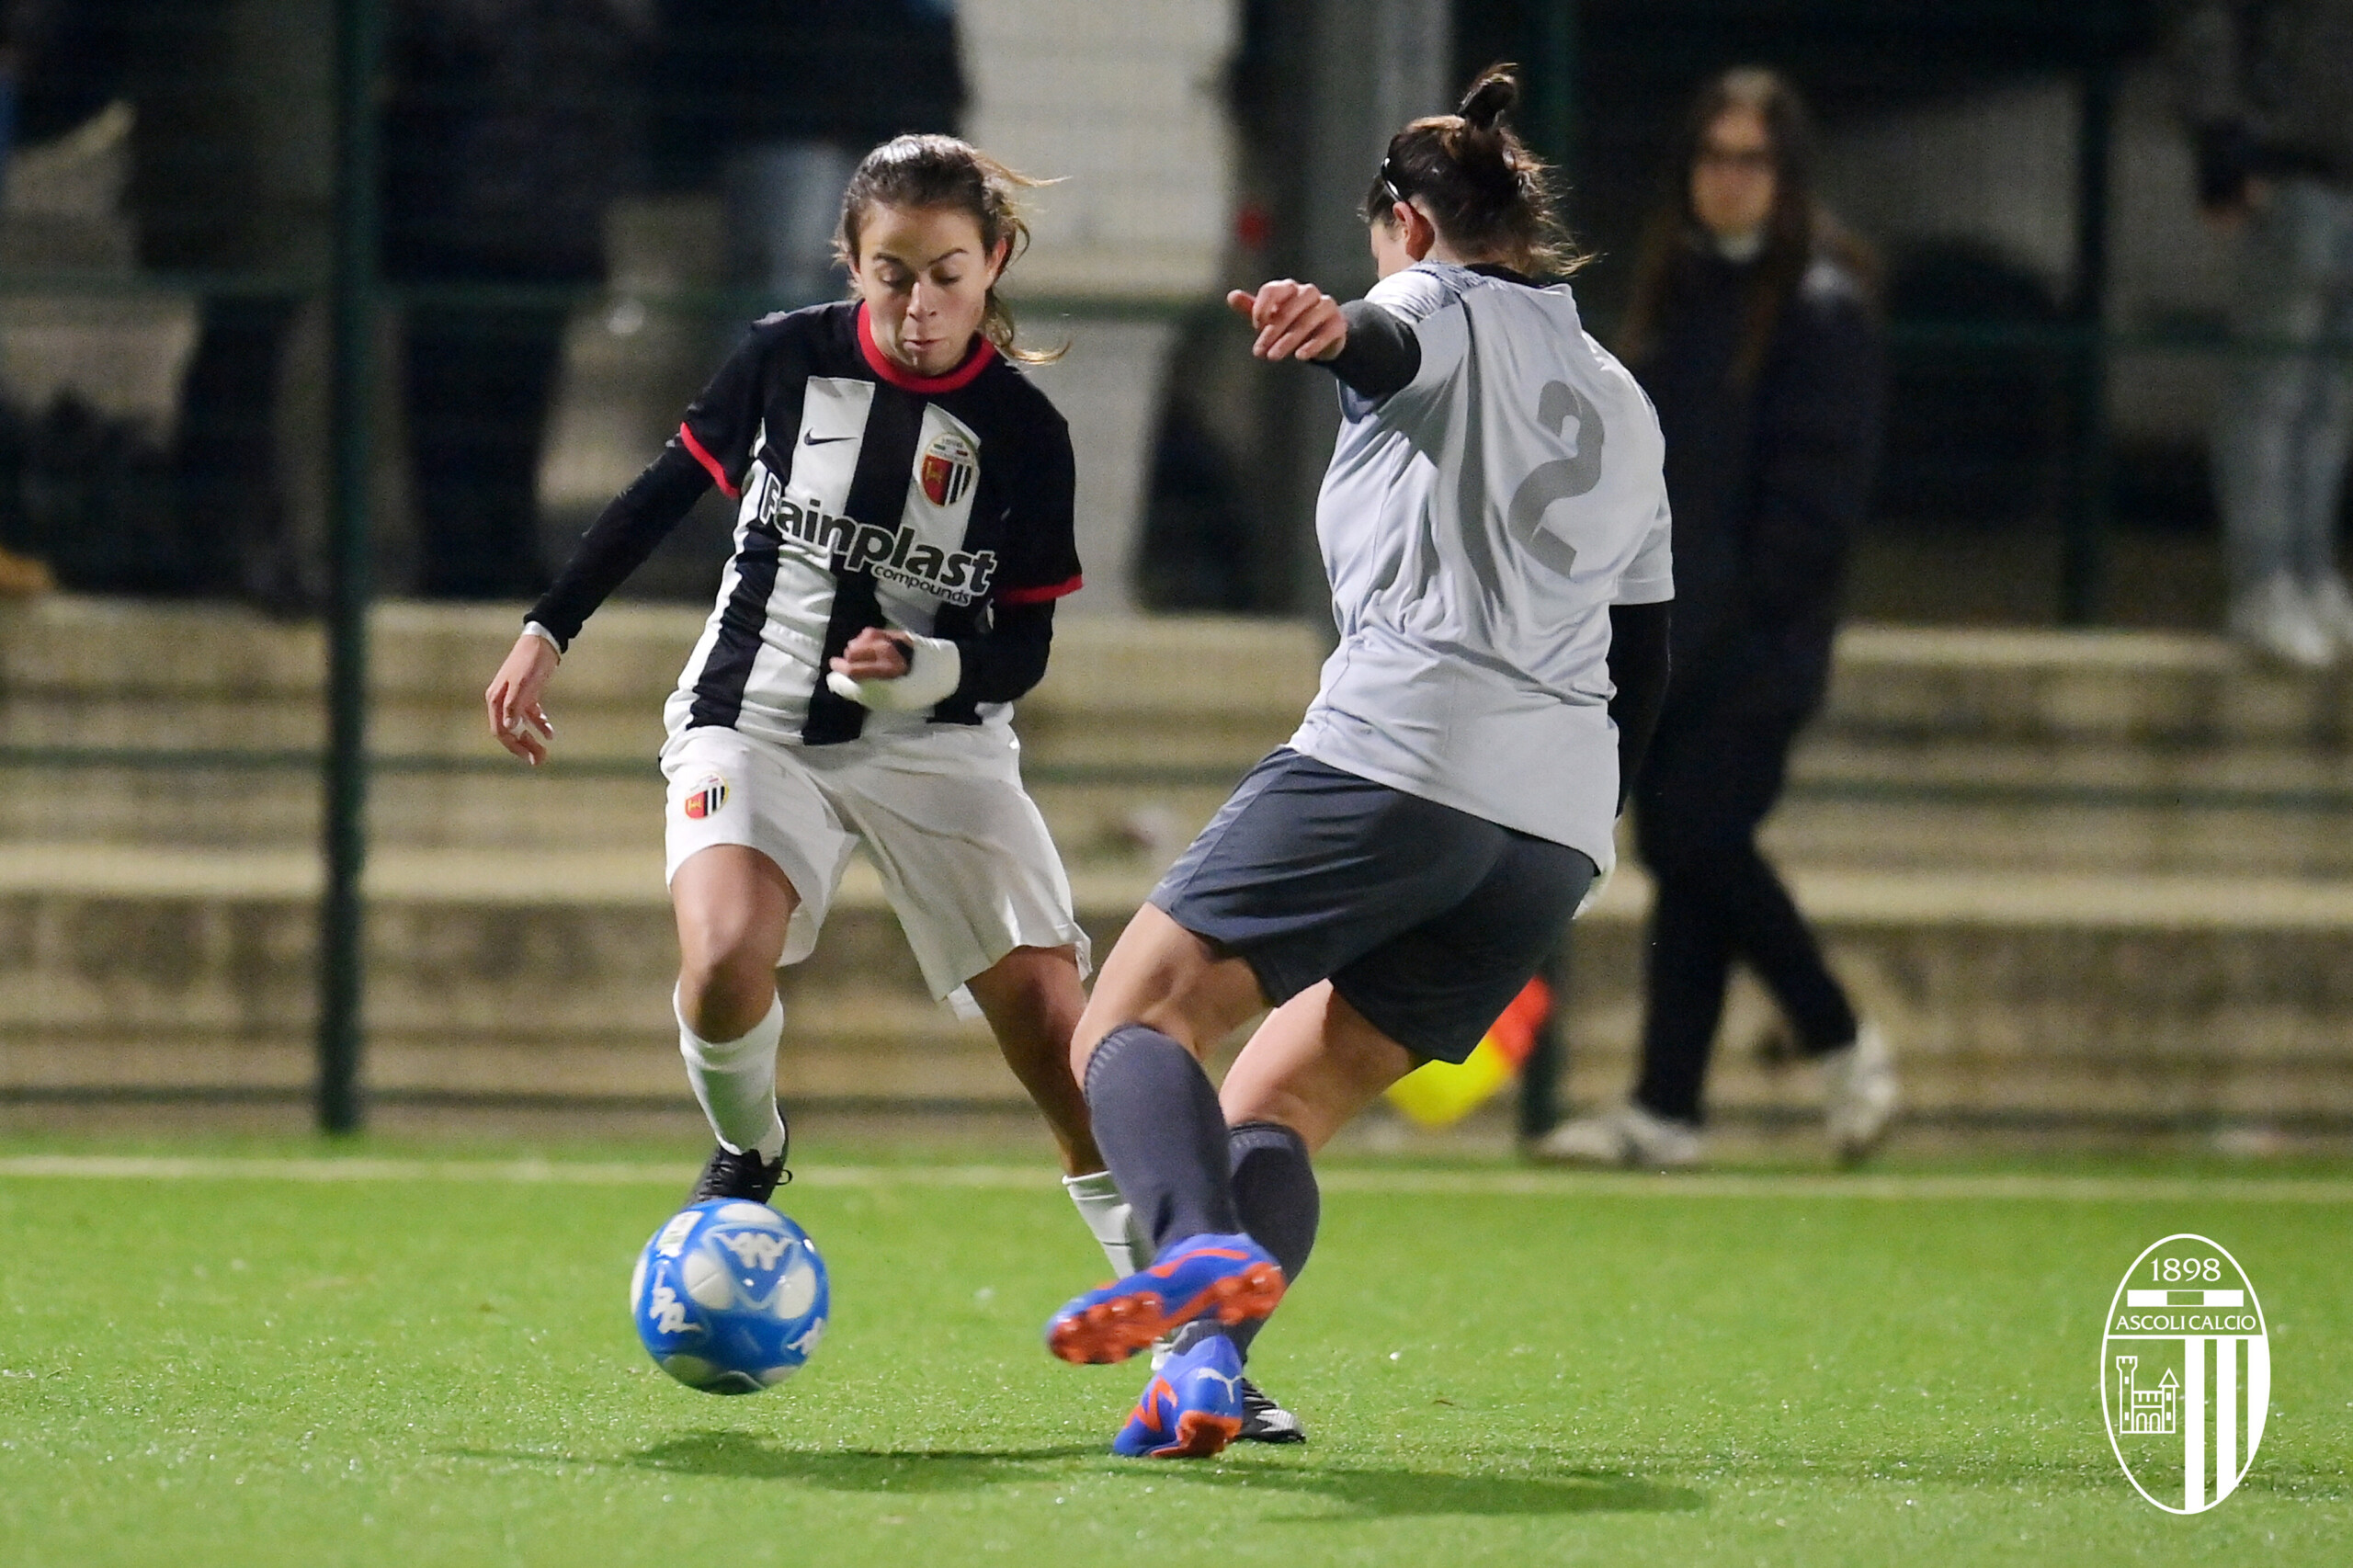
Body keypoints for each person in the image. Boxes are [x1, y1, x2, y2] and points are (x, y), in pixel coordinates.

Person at [480, 135, 1192, 1390]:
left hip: (943, 743)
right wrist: (550, 626)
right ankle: (750, 1151)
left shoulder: (1024, 434)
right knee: (718, 960)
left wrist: (931, 673)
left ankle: (1194, 1346)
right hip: (753, 717)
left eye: (947, 275)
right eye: (891, 274)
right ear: (852, 265)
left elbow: (1021, 641)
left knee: (1058, 1040)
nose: (918, 308)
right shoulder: (782, 358)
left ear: (997, 262)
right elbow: (660, 492)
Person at [1034, 67, 1675, 1460]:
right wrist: (1576, 817)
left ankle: (1195, 1253)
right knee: (1286, 1100)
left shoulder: (1429, 300)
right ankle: (1208, 1372)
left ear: (1406, 223)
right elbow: (1650, 651)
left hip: (1404, 745)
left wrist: (1331, 333)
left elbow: (1393, 347)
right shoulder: (1624, 398)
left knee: (1128, 1027)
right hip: (1552, 822)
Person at [1531, 69, 1893, 1172]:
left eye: (1751, 160)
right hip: (1673, 633)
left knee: (1693, 833)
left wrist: (1718, 631)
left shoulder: (1822, 307)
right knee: (1686, 849)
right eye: (1711, 156)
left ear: (1784, 178)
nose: (1727, 180)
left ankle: (1837, 1033)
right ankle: (1667, 1109)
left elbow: (1809, 512)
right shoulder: (1676, 291)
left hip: (1759, 643)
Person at [384, 0, 640, 599]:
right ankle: (458, 553)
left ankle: (503, 544)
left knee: (516, 385)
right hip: (463, 202)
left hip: (541, 198)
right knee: (454, 385)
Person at [2173, 0, 2353, 667]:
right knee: (2277, 389)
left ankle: (2305, 575)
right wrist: (2220, 132)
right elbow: (2206, 22)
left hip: (2313, 158)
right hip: (2290, 162)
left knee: (2324, 397)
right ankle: (2266, 582)